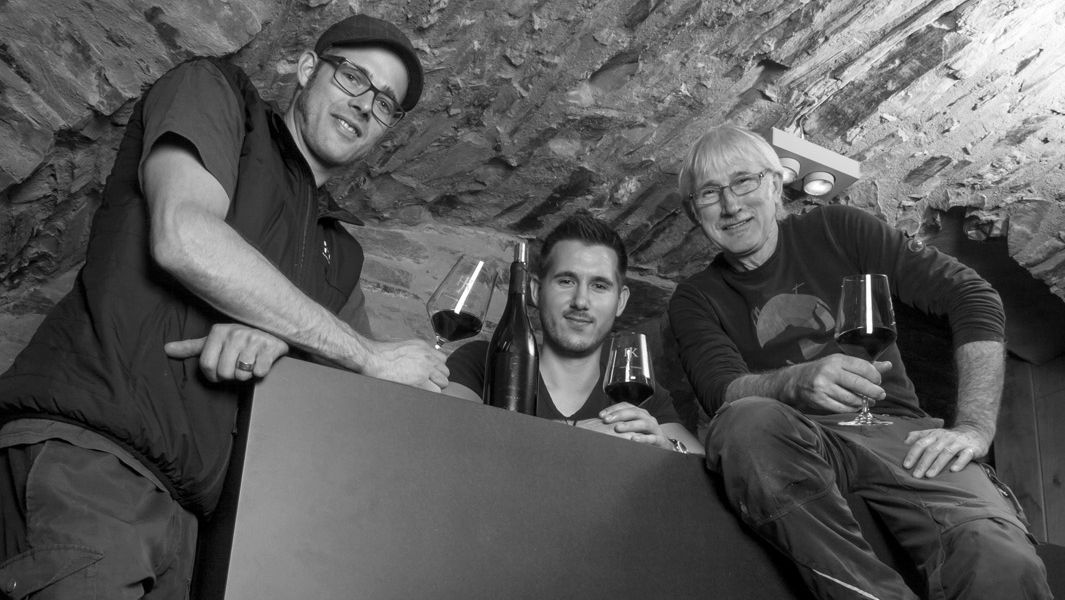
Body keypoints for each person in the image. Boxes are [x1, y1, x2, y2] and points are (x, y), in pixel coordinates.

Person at [0, 14, 448, 599]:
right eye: (353, 78)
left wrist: (282, 344)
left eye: (385, 103)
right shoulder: (216, 95)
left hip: (194, 528)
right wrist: (366, 353)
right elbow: (184, 236)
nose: (365, 104)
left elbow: (351, 410)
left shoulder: (339, 253)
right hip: (92, 462)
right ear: (307, 69)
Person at [668, 124, 1050, 599]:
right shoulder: (695, 298)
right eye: (709, 193)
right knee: (742, 423)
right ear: (694, 212)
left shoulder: (838, 228)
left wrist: (974, 427)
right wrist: (793, 383)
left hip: (900, 434)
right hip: (796, 442)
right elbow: (720, 391)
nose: (731, 205)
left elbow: (973, 297)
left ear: (775, 184)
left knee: (1002, 558)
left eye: (744, 181)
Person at [445, 213, 700, 454]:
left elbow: (701, 465)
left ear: (621, 301)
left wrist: (669, 449)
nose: (581, 301)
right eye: (566, 281)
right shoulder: (484, 361)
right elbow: (444, 432)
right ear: (536, 291)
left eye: (599, 286)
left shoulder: (638, 386)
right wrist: (576, 434)